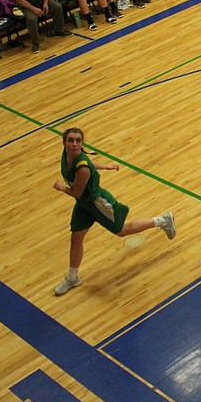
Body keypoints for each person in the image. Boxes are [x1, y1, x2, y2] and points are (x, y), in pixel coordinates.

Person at [52, 127, 175, 296]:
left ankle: (163, 220)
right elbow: (89, 162)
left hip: (98, 203)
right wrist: (106, 166)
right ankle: (72, 278)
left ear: (82, 143)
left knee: (123, 230)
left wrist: (62, 188)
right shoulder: (67, 156)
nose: (74, 144)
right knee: (76, 238)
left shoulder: (83, 168)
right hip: (83, 205)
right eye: (70, 140)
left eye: (78, 141)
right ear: (64, 142)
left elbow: (76, 192)